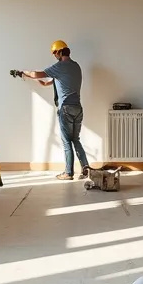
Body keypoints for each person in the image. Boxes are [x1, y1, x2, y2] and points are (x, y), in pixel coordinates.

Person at [17, 40, 89, 180]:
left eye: (55, 53)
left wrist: (23, 72)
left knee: (66, 141)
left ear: (60, 52)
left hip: (66, 108)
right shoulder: (76, 66)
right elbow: (45, 83)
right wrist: (29, 77)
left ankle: (68, 173)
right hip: (78, 108)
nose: (54, 55)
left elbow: (37, 74)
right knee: (76, 139)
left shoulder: (60, 66)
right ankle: (86, 169)